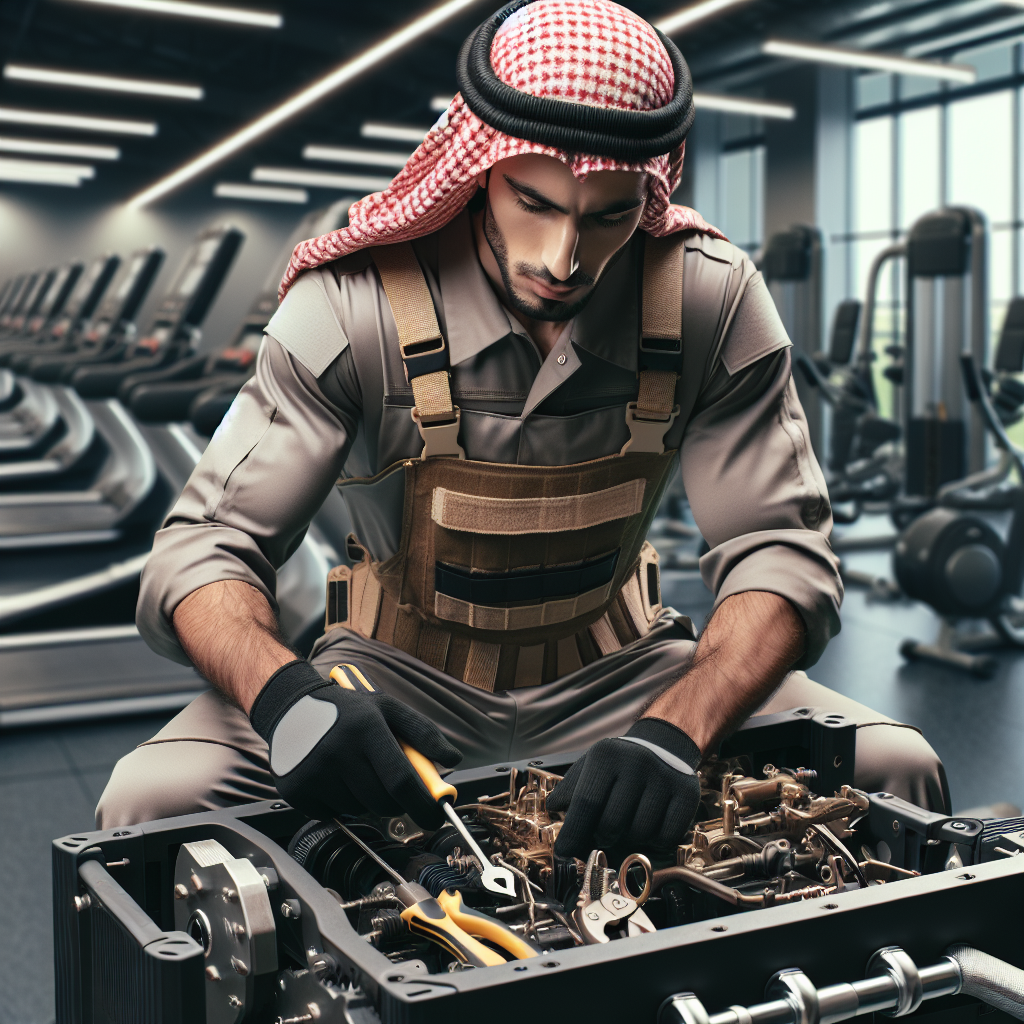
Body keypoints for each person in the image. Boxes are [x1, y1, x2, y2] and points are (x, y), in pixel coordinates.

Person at [97, 0, 948, 854]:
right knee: (154, 799)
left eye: (609, 214)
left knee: (892, 764)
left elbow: (780, 548)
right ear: (479, 170)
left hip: (625, 676)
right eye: (533, 201)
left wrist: (679, 726)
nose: (562, 258)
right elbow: (203, 548)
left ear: (649, 191)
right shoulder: (350, 306)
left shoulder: (708, 297)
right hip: (391, 679)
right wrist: (286, 699)